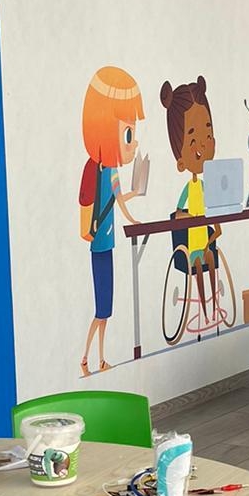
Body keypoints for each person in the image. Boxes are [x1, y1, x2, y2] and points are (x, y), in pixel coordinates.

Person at [78, 65, 144, 376]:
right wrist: (89, 230)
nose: (133, 142)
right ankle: (85, 356)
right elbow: (87, 203)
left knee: (107, 310)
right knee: (101, 308)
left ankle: (101, 358)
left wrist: (135, 200)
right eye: (128, 133)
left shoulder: (113, 170)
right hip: (99, 248)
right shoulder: (95, 169)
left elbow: (119, 200)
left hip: (109, 244)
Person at [162, 76, 220, 317]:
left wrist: (214, 229)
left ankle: (214, 305)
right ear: (180, 160)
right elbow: (177, 213)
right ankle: (205, 310)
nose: (202, 146)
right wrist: (191, 217)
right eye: (193, 140)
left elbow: (215, 216)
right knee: (197, 264)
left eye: (208, 135)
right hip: (192, 246)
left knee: (211, 261)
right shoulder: (190, 187)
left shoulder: (206, 187)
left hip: (205, 242)